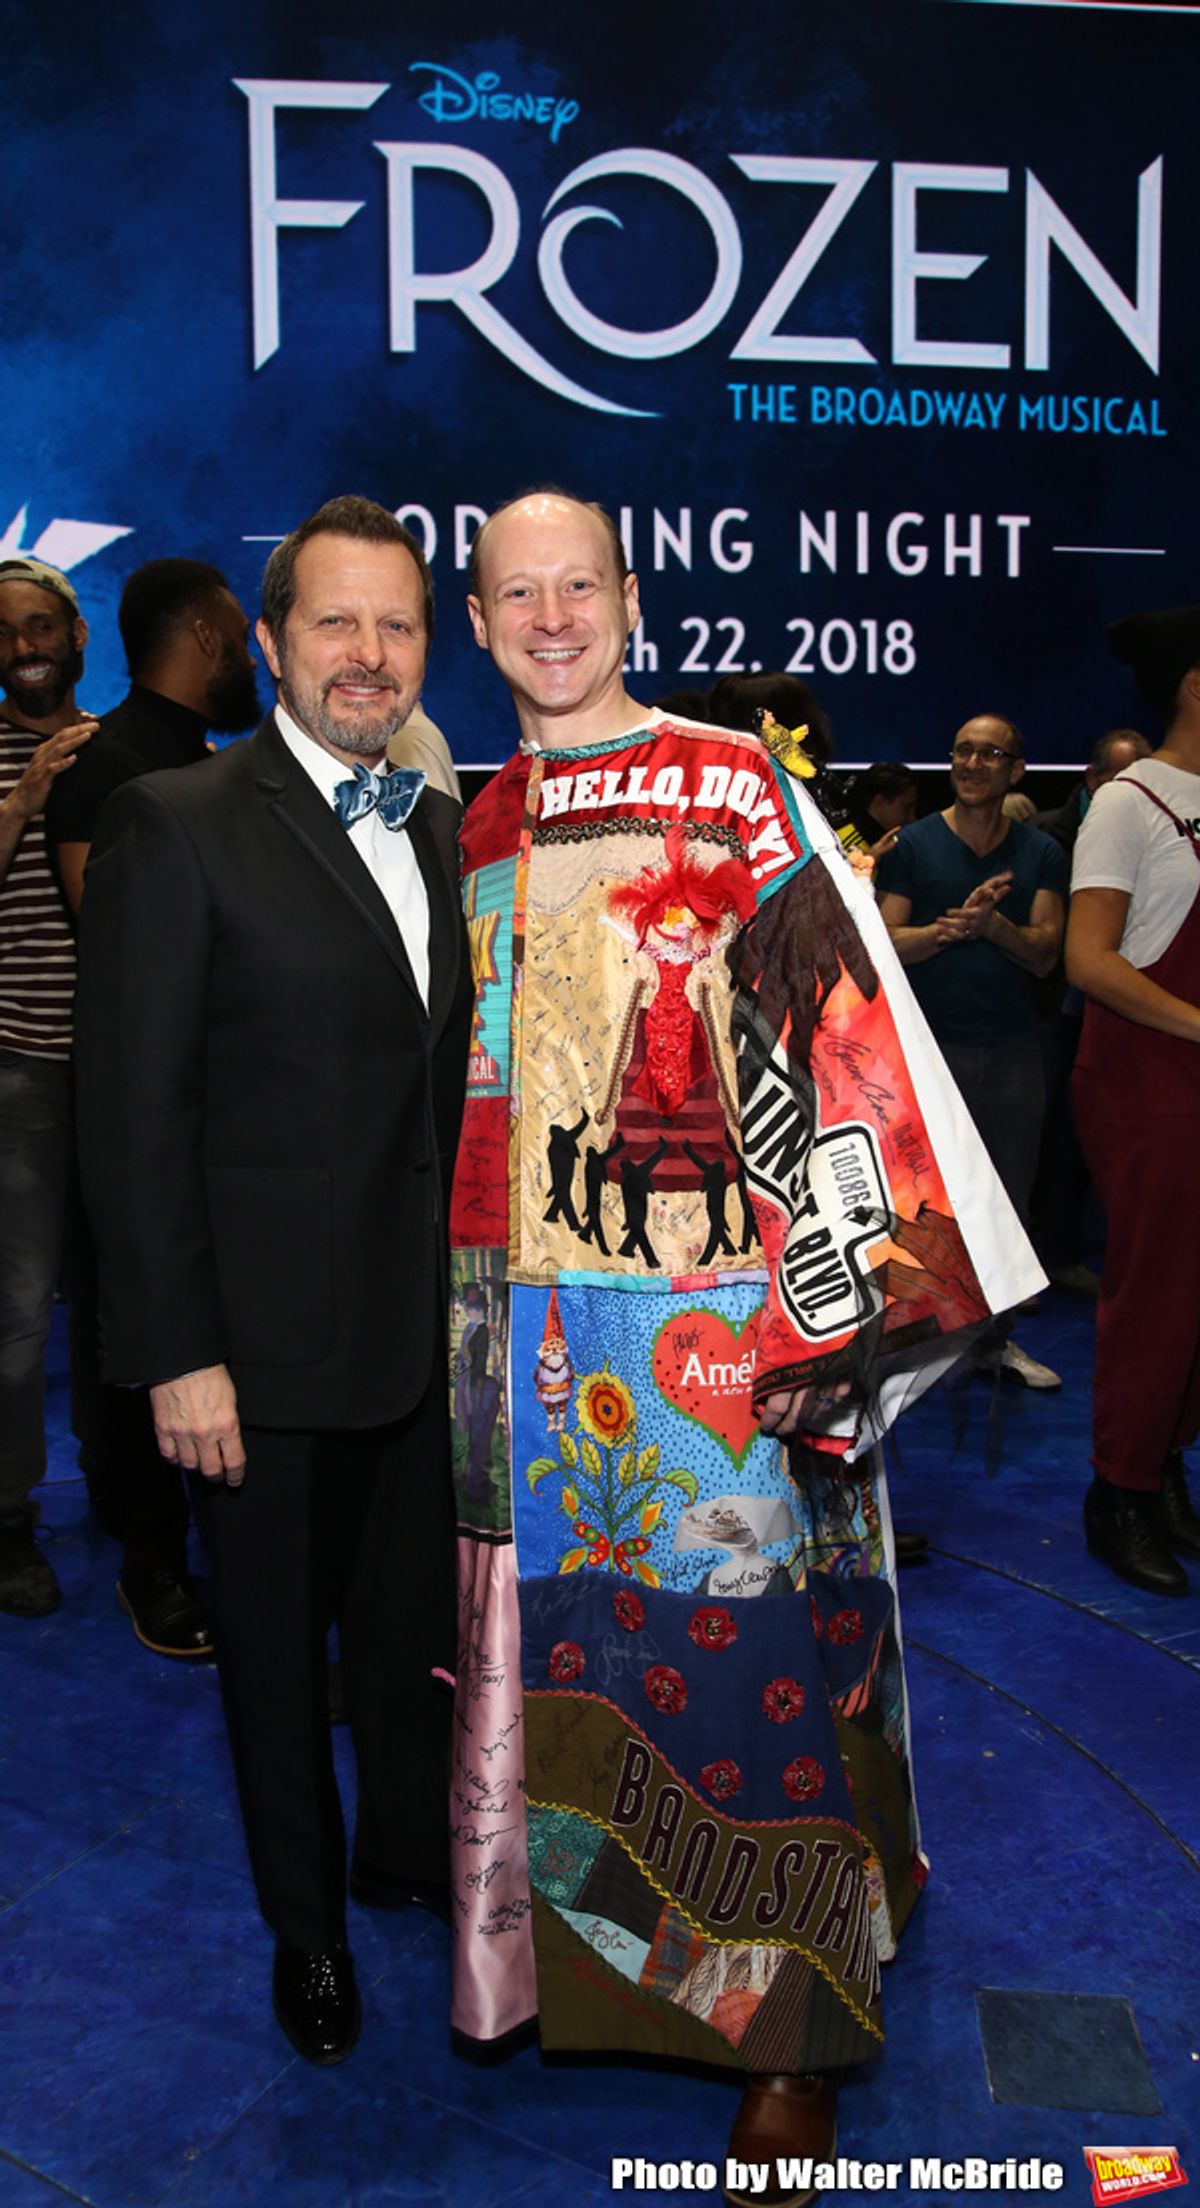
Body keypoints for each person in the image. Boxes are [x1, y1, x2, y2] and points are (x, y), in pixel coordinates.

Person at [448, 489, 1042, 2208]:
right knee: (568, 1663)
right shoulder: (478, 818)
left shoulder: (736, 777)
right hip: (525, 1332)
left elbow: (846, 1042)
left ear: (631, 600)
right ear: (480, 623)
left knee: (753, 1667)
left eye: (582, 587)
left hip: (718, 1332)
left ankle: (789, 2037)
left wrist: (828, 1310)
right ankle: (601, 1969)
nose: (552, 617)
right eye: (516, 594)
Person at [73, 497, 472, 2063]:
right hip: (254, 1357)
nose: (368, 657)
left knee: (403, 1638)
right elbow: (133, 1115)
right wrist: (177, 1353)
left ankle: (400, 1864)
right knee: (271, 1668)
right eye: (335, 624)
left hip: (427, 1339)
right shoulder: (182, 822)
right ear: (270, 643)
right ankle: (305, 1934)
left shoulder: (448, 828)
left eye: (397, 626)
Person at [47, 556, 263, 1658]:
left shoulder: (200, 760)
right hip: (137, 1104)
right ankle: (149, 1564)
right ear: (209, 638)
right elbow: (124, 949)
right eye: (242, 630)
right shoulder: (114, 768)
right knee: (133, 1338)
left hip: (220, 1115)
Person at [1067, 606, 1200, 1595]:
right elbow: (1087, 960)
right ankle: (1118, 1492)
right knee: (1157, 1291)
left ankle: (1161, 1469)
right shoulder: (1132, 802)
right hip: (1148, 1075)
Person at [875, 715, 1067, 1390]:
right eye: (962, 750)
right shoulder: (913, 846)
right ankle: (905, 1355)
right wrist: (948, 932)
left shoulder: (1039, 852)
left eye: (991, 753)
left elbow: (1047, 954)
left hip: (1013, 1051)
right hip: (926, 1054)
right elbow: (887, 941)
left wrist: (993, 927)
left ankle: (992, 1343)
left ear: (1017, 770)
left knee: (1004, 1204)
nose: (973, 762)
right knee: (919, 1206)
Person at [0, 555, 96, 1616]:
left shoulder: (122, 749)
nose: (24, 649)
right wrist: (26, 796)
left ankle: (147, 1504)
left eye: (39, 627)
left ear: (76, 633)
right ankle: (10, 1519)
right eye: (5, 634)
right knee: (21, 1316)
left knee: (132, 1303)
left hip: (121, 1075)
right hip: (16, 1069)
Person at [1030, 728, 1151, 1295]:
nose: (1135, 790)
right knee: (1049, 1139)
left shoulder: (1154, 831)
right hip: (1057, 1012)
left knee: (1081, 1145)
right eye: (1122, 778)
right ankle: (1038, 1259)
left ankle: (1061, 1251)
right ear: (1093, 779)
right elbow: (1064, 951)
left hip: (1124, 1007)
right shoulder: (1053, 838)